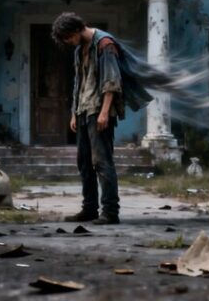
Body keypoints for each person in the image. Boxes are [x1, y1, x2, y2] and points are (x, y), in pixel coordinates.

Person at [51, 12, 150, 225]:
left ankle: (110, 212)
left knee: (102, 161)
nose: (68, 42)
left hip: (99, 110)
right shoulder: (80, 49)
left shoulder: (105, 44)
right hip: (83, 111)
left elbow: (111, 81)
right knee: (84, 162)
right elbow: (79, 82)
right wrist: (74, 112)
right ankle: (89, 209)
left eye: (68, 37)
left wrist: (105, 112)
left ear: (76, 30)